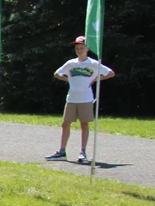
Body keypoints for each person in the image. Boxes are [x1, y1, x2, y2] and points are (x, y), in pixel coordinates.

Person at [46, 35, 115, 163]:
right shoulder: (71, 63)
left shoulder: (93, 64)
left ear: (87, 48)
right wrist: (69, 80)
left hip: (86, 98)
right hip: (71, 98)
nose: (79, 50)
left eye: (81, 48)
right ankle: (62, 151)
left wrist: (95, 79)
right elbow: (57, 73)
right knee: (65, 123)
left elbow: (110, 73)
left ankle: (82, 152)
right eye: (77, 48)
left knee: (84, 124)